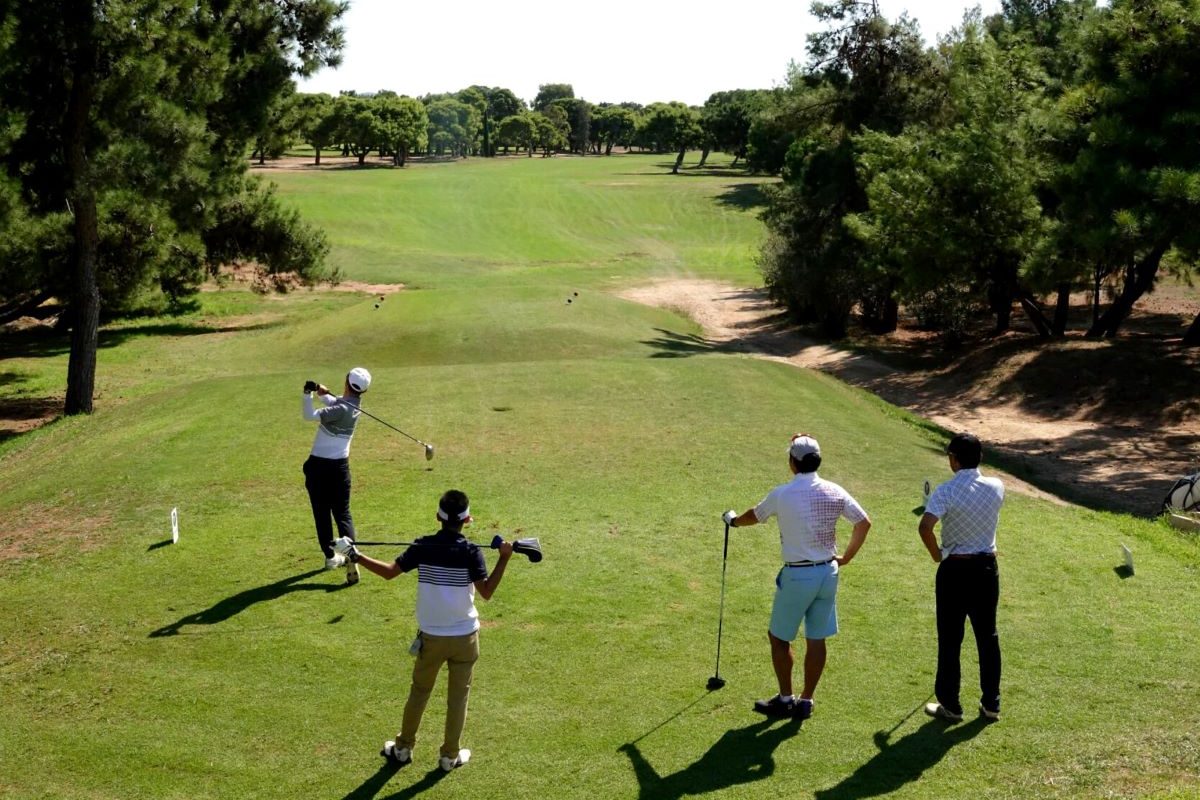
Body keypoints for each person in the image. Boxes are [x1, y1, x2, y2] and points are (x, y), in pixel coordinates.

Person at [333, 489, 513, 772]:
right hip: (466, 639)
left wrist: (355, 555)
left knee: (419, 692)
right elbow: (487, 591)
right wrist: (504, 558)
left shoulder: (423, 546)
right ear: (468, 520)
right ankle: (449, 757)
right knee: (458, 698)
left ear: (438, 517)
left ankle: (403, 749)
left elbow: (390, 571)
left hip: (432, 637)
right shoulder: (471, 551)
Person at [722, 433, 871, 721]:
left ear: (793, 462)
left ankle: (786, 699)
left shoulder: (783, 494)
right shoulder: (834, 490)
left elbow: (755, 515)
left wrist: (733, 521)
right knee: (817, 638)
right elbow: (863, 523)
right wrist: (847, 557)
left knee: (778, 638)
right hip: (828, 572)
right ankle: (806, 700)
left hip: (798, 575)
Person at [918, 432, 1005, 723]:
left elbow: (925, 527)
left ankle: (951, 706)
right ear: (979, 457)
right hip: (986, 569)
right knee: (987, 636)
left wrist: (936, 555)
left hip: (954, 569)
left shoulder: (945, 491)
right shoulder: (997, 486)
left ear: (954, 460)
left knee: (951, 638)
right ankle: (991, 704)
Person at [302, 367, 371, 585]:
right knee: (343, 513)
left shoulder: (341, 407)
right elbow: (335, 402)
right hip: (340, 467)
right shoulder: (354, 406)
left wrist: (307, 394)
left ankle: (332, 557)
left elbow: (309, 415)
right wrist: (324, 392)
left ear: (347, 382)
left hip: (319, 468)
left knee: (322, 513)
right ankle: (352, 553)